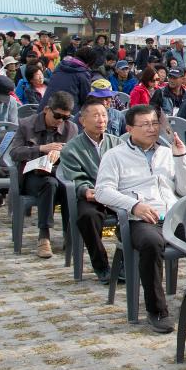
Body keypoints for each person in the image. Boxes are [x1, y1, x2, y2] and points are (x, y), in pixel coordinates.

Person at [94, 105, 186, 332]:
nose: (151, 128)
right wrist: (134, 206)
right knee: (151, 243)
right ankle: (157, 310)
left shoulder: (167, 152)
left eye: (155, 123)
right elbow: (102, 191)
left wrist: (181, 157)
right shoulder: (115, 156)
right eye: (145, 124)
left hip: (173, 215)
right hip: (140, 220)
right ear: (129, 128)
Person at [58, 97, 122, 282]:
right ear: (82, 120)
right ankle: (101, 266)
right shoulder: (71, 148)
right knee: (87, 216)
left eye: (103, 115)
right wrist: (85, 190)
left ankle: (125, 265)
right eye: (95, 116)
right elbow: (74, 177)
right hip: (91, 196)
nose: (101, 120)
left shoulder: (117, 143)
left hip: (116, 193)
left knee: (138, 214)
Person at [8, 91, 78, 259]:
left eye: (66, 117)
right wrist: (41, 149)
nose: (60, 121)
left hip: (58, 173)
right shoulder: (26, 124)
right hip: (31, 176)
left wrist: (62, 154)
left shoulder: (71, 128)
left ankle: (70, 234)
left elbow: (76, 155)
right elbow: (14, 153)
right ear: (47, 109)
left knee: (70, 187)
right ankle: (44, 236)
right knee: (49, 184)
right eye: (57, 116)